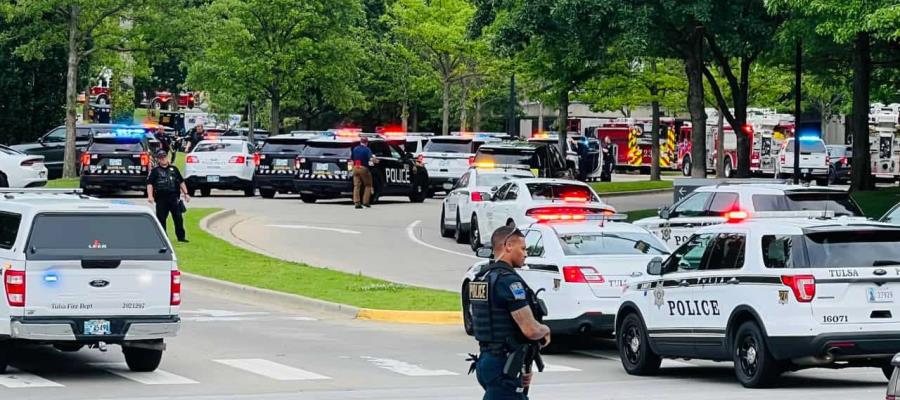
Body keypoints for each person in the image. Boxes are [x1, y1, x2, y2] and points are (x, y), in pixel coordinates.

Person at [470, 226, 551, 400]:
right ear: (508, 246)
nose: (526, 254)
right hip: (503, 366)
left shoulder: (481, 278)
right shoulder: (508, 281)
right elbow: (530, 329)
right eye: (522, 248)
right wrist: (545, 330)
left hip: (488, 361)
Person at [147, 150, 190, 243]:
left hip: (174, 197)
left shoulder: (174, 169)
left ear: (167, 157)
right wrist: (150, 196)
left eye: (164, 157)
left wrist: (186, 194)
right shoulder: (155, 171)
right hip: (161, 198)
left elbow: (181, 182)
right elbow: (150, 184)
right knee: (161, 219)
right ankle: (163, 238)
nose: (163, 159)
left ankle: (181, 237)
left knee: (178, 218)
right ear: (158, 159)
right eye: (161, 158)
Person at [351, 136, 377, 209]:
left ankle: (357, 202)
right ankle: (365, 202)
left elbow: (352, 158)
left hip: (356, 167)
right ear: (366, 142)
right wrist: (376, 160)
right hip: (363, 167)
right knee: (368, 185)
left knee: (356, 185)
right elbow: (371, 159)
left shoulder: (355, 149)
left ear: (360, 142)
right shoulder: (367, 149)